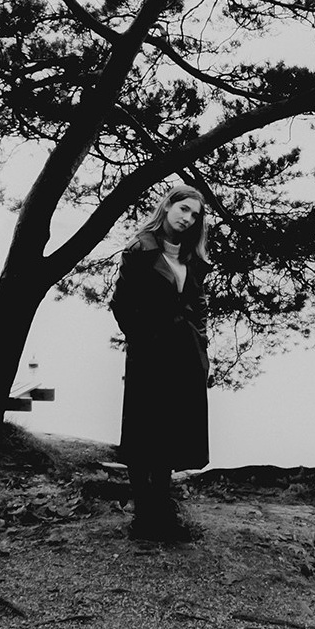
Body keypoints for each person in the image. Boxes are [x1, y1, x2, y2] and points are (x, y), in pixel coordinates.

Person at [109, 184, 212, 541]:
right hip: (149, 354)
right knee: (143, 432)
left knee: (169, 430)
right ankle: (144, 517)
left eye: (195, 215)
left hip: (184, 354)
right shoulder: (141, 250)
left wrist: (201, 345)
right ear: (167, 206)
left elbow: (198, 305)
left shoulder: (192, 256)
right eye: (183, 209)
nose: (188, 219)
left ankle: (162, 513)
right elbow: (121, 304)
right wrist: (144, 339)